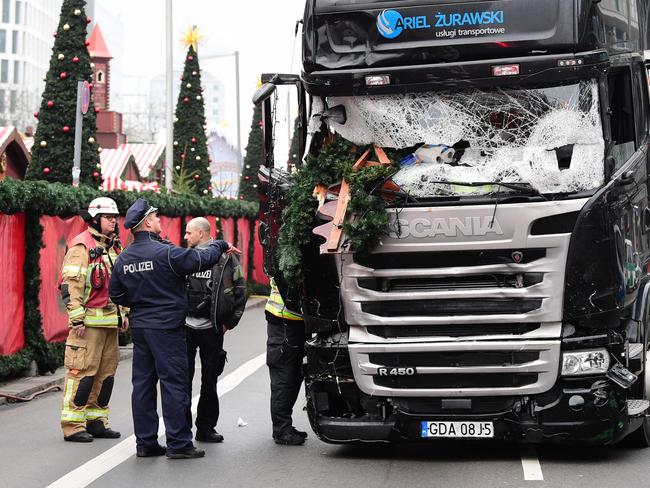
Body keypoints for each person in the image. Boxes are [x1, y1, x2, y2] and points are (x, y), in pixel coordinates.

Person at [108, 199, 238, 459]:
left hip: (141, 328)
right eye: (156, 217)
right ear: (147, 222)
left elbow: (116, 293)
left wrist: (141, 302)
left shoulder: (124, 258)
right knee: (174, 383)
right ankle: (179, 444)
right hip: (167, 327)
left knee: (143, 385)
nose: (159, 221)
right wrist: (221, 243)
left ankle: (146, 443)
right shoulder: (166, 254)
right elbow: (203, 258)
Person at [59, 197, 126, 443]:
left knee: (106, 375)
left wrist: (124, 314)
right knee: (82, 374)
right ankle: (73, 425)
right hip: (86, 326)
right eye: (109, 217)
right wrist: (76, 319)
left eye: (115, 217)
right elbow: (70, 286)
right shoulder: (81, 246)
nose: (114, 221)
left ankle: (96, 420)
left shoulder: (114, 246)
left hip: (110, 324)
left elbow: (120, 285)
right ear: (95, 219)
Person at [183, 217, 228, 443]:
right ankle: (181, 429)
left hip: (212, 329)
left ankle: (206, 428)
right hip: (186, 329)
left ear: (201, 233)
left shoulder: (225, 258)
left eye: (189, 232)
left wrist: (229, 321)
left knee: (209, 380)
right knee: (182, 380)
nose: (185, 237)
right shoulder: (184, 257)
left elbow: (238, 290)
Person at [265, 278, 308, 445]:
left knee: (295, 375)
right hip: (283, 319)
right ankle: (281, 429)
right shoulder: (286, 255)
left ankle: (284, 426)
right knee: (284, 376)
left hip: (294, 319)